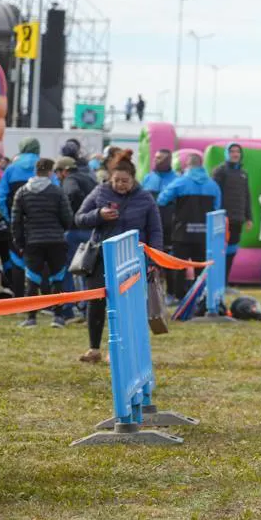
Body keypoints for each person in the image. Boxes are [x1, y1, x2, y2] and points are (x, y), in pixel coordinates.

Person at [74, 151, 162, 362]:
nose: (120, 185)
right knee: (96, 302)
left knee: (126, 305)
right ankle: (94, 349)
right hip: (101, 258)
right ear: (110, 178)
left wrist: (154, 260)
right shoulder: (100, 191)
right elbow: (79, 218)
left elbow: (155, 230)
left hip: (132, 259)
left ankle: (119, 349)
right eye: (116, 181)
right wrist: (98, 215)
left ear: (133, 180)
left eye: (125, 181)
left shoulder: (145, 198)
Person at [11, 158, 73, 328]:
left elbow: (16, 221)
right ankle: (58, 317)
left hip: (33, 242)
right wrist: (59, 230)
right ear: (50, 172)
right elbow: (68, 218)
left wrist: (20, 243)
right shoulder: (57, 192)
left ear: (35, 171)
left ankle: (31, 318)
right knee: (57, 278)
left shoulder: (22, 192)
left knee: (32, 279)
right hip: (56, 241)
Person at [158, 153, 222, 299]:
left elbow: (161, 200)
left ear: (187, 165)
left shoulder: (180, 182)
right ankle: (201, 296)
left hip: (182, 232)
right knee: (201, 267)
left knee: (178, 266)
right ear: (201, 164)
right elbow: (217, 208)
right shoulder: (213, 185)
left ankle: (178, 296)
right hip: (204, 233)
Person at [54, 156, 98, 321]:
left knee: (69, 269)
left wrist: (74, 214)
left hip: (75, 231)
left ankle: (69, 308)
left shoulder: (69, 180)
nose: (57, 177)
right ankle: (88, 308)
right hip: (92, 230)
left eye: (58, 173)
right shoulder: (89, 178)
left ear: (64, 171)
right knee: (88, 269)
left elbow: (72, 193)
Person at [0, 137, 43, 292]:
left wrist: (8, 218)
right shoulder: (43, 168)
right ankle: (44, 299)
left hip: (16, 223)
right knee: (41, 260)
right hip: (41, 225)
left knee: (17, 260)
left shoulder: (10, 170)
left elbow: (1, 196)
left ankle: (18, 297)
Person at [142, 149, 180, 301]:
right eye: (156, 157)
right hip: (149, 225)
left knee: (167, 259)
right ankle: (149, 294)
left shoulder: (176, 179)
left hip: (169, 226)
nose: (157, 161)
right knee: (149, 259)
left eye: (161, 158)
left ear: (169, 160)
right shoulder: (148, 178)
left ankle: (171, 292)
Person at [211, 143, 253, 278]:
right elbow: (214, 195)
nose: (235, 154)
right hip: (223, 220)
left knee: (232, 251)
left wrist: (249, 217)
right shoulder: (220, 171)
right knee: (220, 251)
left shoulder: (243, 173)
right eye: (232, 151)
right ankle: (216, 281)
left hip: (237, 219)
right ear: (227, 154)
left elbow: (246, 196)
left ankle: (225, 282)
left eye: (238, 152)